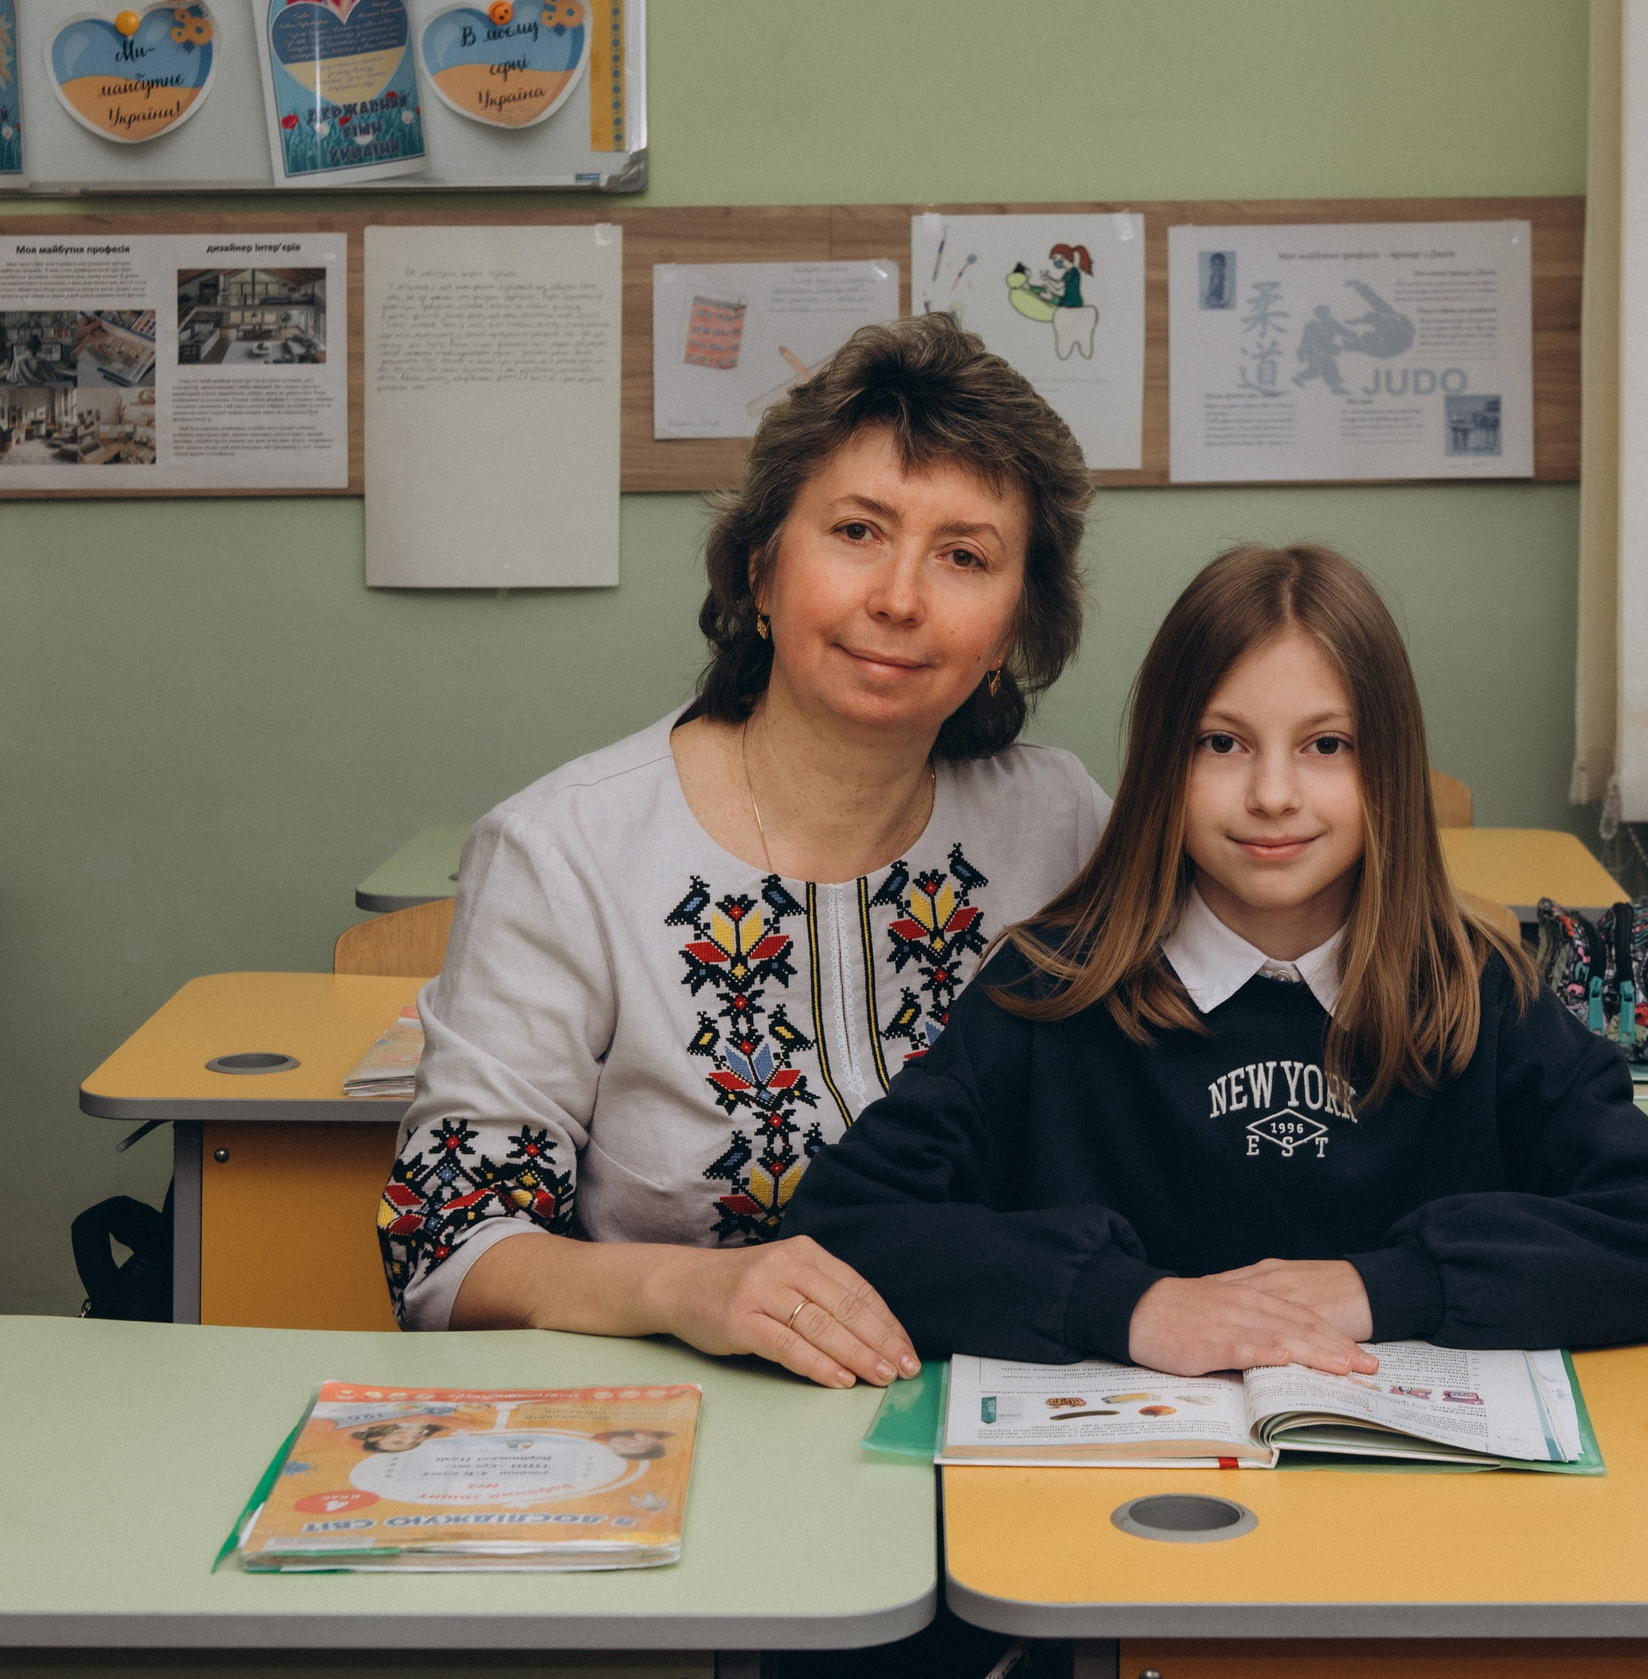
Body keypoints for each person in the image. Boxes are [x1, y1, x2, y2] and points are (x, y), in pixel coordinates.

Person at [783, 544, 1648, 1373]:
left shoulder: (1480, 994)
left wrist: (1381, 1287)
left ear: (1386, 762)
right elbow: (841, 1229)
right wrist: (1131, 1306)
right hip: (1113, 1544)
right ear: (1162, 764)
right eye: (1222, 743)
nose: (1272, 794)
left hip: (1413, 1539)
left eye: (1326, 745)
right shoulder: (1048, 994)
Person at [379, 315, 1108, 1394]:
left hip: (1017, 1420)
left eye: (963, 556)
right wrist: (686, 1292)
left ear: (1010, 631)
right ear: (761, 570)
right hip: (692, 1428)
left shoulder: (1065, 826)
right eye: (856, 532)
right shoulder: (567, 852)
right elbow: (446, 1243)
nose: (898, 598)